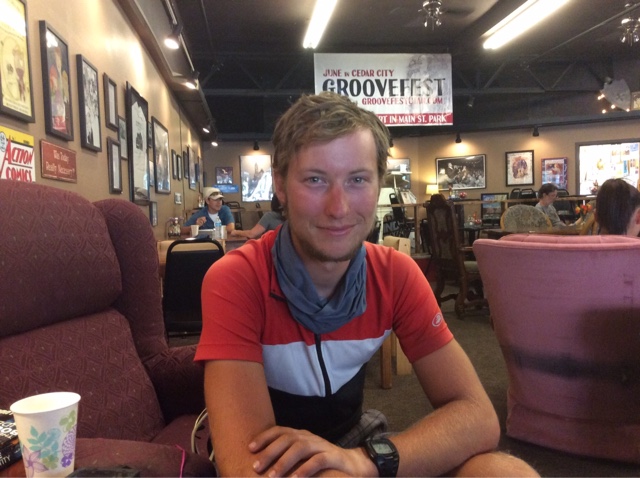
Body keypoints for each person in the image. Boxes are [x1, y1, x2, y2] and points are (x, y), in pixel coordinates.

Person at [195, 92, 538, 477]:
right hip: (274, 459)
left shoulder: (395, 274)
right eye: (315, 179)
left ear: (378, 186)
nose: (339, 208)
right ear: (280, 185)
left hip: (356, 444)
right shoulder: (237, 279)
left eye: (357, 179)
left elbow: (478, 416)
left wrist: (364, 460)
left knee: (505, 472)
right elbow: (248, 465)